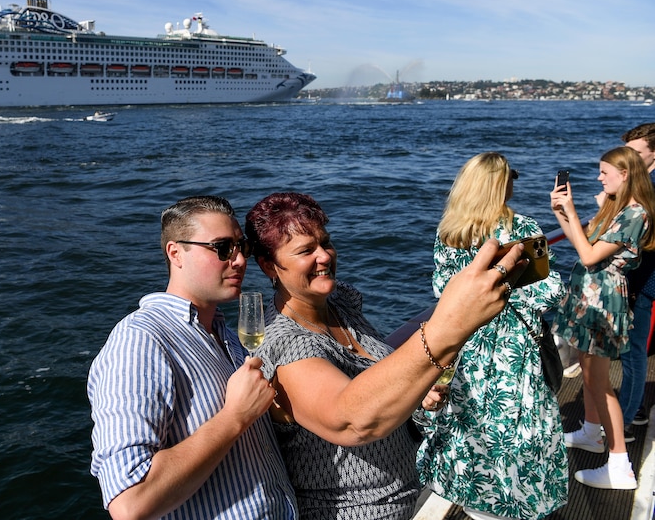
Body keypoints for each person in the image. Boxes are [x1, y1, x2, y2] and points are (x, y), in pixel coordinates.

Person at [244, 191, 528, 520]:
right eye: (306, 251)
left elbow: (379, 383)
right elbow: (350, 420)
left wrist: (415, 393)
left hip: (404, 498)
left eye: (326, 242)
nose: (325, 256)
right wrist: (450, 325)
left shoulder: (339, 305)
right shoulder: (285, 343)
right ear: (269, 266)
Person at [87, 196, 297, 520]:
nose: (240, 260)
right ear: (176, 253)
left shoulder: (226, 336)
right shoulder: (142, 339)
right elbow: (130, 503)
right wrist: (235, 417)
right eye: (223, 248)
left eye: (242, 247)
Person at [418, 152, 568, 520]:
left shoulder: (450, 233)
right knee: (518, 432)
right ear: (502, 184)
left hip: (468, 345)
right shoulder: (523, 229)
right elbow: (551, 292)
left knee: (472, 431)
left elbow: (442, 289)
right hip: (513, 351)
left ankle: (479, 507)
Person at [552, 146, 655, 490]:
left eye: (604, 172)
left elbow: (589, 254)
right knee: (587, 369)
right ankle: (592, 433)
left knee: (599, 381)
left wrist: (571, 209)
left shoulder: (635, 214)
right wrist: (561, 214)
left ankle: (619, 465)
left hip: (603, 300)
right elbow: (582, 242)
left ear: (625, 175)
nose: (599, 177)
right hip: (588, 296)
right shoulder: (616, 207)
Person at [620, 123, 655, 436]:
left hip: (644, 281)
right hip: (642, 280)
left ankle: (627, 420)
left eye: (635, 153)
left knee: (633, 353)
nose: (627, 159)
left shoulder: (649, 188)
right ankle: (634, 411)